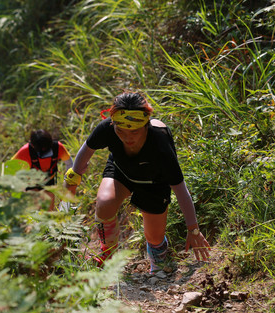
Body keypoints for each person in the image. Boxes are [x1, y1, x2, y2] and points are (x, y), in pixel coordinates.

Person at [64, 92, 210, 273]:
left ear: (146, 125)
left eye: (134, 131)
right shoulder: (107, 128)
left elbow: (180, 189)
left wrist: (193, 229)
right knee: (104, 203)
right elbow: (85, 151)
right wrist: (72, 180)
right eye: (121, 131)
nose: (127, 137)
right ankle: (107, 252)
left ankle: (159, 255)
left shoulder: (159, 141)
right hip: (121, 172)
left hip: (154, 182)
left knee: (154, 237)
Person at [13, 129, 73, 211]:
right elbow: (10, 168)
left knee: (49, 208)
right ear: (33, 146)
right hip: (31, 182)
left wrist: (68, 180)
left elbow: (69, 164)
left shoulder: (57, 147)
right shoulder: (25, 151)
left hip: (49, 181)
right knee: (34, 207)